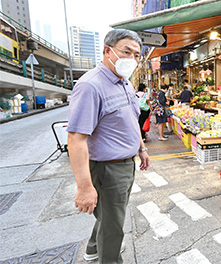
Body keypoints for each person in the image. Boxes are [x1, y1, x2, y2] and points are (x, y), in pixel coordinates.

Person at [67, 29, 150, 264]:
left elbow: (131, 121)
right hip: (107, 168)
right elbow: (76, 139)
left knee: (111, 215)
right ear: (108, 51)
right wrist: (84, 188)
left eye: (136, 54)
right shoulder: (91, 86)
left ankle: (93, 248)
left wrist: (141, 148)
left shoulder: (125, 83)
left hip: (126, 164)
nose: (132, 59)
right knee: (114, 226)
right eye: (126, 51)